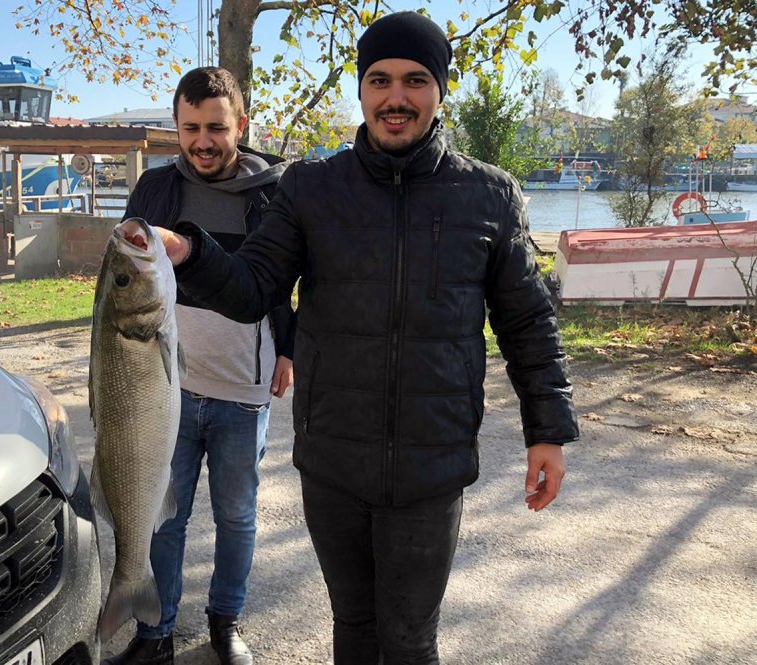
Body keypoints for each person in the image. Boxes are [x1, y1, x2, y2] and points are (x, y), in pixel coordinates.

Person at [140, 12, 579, 665]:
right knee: (355, 626)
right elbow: (252, 287)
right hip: (334, 463)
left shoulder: (487, 196)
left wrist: (548, 429)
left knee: (407, 640)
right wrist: (188, 250)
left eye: (414, 80)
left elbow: (527, 320)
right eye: (379, 80)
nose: (395, 97)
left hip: (431, 467)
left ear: (438, 90)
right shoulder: (310, 188)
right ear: (362, 88)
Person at [104, 67, 295, 665]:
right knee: (163, 518)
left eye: (216, 126)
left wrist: (289, 347)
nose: (203, 140)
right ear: (177, 127)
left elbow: (288, 281)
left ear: (241, 124)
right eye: (190, 128)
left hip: (243, 387)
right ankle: (153, 630)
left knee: (238, 517)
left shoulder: (275, 193)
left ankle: (225, 623)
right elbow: (121, 278)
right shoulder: (155, 190)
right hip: (167, 392)